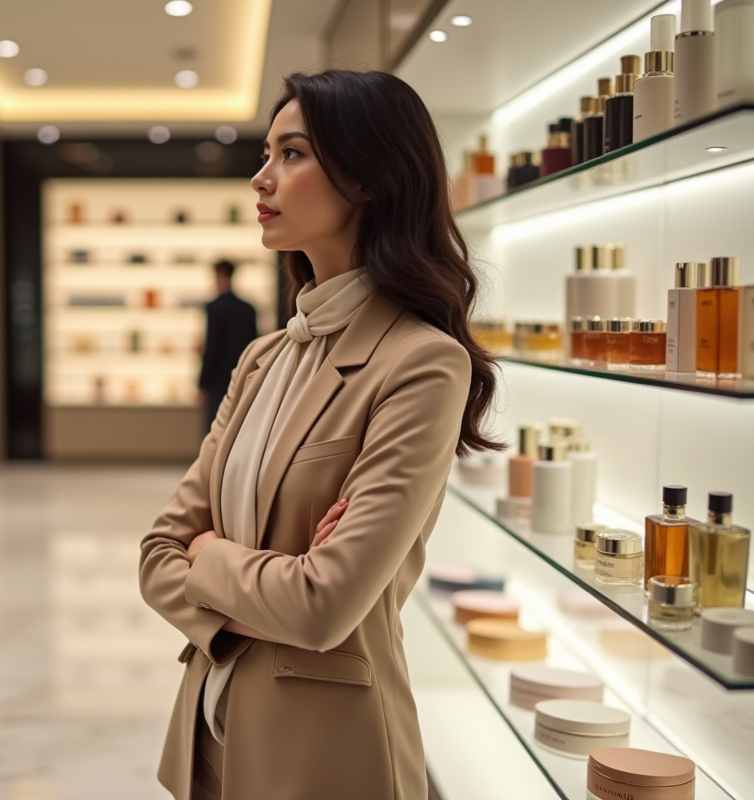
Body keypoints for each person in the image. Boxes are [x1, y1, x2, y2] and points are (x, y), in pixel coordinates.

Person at [138, 69, 502, 800]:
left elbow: (325, 605)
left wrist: (208, 554)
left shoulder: (423, 363)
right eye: (265, 153)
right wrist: (268, 578)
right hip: (210, 735)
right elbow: (155, 557)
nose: (261, 179)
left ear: (367, 177)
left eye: (292, 154)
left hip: (324, 756)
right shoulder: (264, 356)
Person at [198, 260, 258, 429]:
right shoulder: (248, 308)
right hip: (243, 375)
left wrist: (202, 381)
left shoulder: (215, 307)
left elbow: (212, 347)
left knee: (216, 427)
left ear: (218, 276)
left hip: (218, 379)